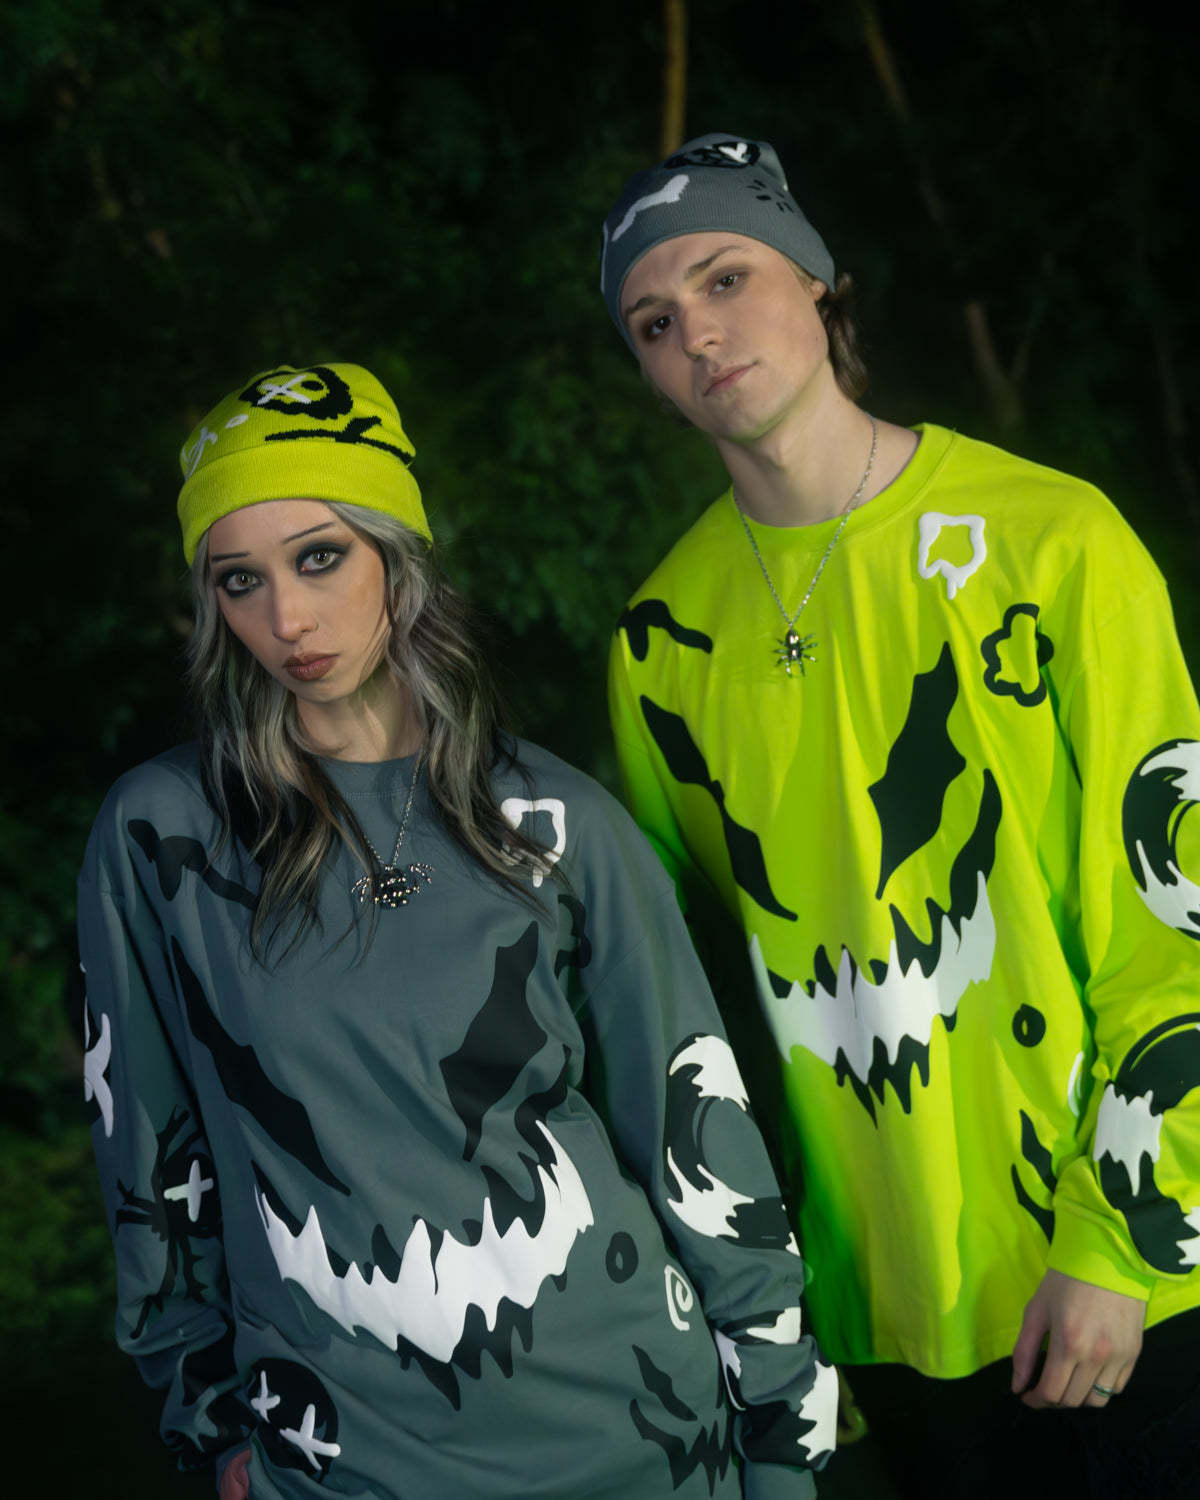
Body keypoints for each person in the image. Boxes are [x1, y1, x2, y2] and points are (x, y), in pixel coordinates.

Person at [78, 361, 840, 1500]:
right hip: (343, 1458)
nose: (286, 619)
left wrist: (781, 1442)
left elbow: (694, 1125)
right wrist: (215, 1422)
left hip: (642, 1436)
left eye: (320, 557)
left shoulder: (557, 823)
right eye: (240, 581)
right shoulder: (165, 838)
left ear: (397, 555)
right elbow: (146, 1149)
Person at [600, 134, 1200, 1498]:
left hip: (1133, 1274)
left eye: (725, 277)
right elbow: (700, 1011)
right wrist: (770, 1300)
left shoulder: (1056, 541)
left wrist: (1119, 1240)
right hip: (880, 1310)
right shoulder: (659, 645)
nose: (699, 333)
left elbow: (1174, 912)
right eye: (653, 321)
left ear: (816, 282)